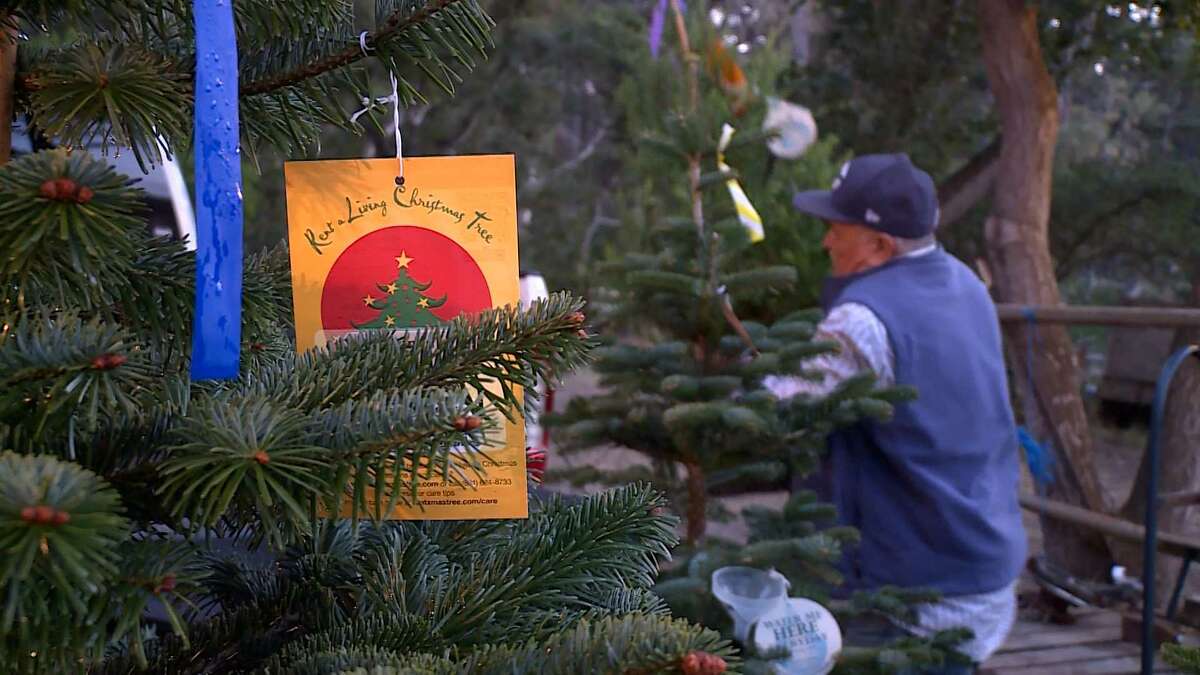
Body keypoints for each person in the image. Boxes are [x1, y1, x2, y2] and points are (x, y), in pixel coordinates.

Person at [765, 153, 1026, 672]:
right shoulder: (966, 285)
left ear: (879, 246)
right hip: (985, 562)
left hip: (916, 594)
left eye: (837, 229)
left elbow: (774, 409)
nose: (825, 242)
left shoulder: (864, 320)